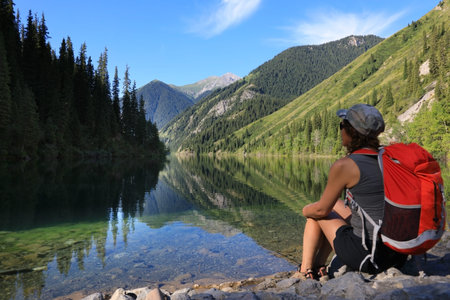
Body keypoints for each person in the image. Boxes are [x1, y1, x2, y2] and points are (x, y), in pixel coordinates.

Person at [293, 103, 407, 280]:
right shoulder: (389, 158)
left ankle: (306, 270)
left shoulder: (346, 165)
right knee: (335, 205)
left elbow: (321, 210)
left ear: (350, 132)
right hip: (398, 253)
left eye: (342, 126)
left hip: (371, 257)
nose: (340, 131)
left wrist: (305, 210)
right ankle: (319, 266)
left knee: (315, 215)